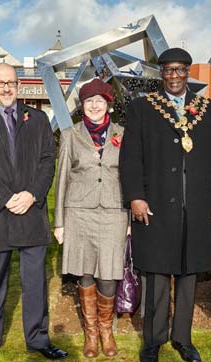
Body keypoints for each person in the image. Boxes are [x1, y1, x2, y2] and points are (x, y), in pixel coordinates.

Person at [119, 48, 211, 362]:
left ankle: (182, 338)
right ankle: (152, 340)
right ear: (161, 73)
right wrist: (136, 196)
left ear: (188, 72)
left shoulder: (209, 109)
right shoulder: (143, 108)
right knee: (155, 275)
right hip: (154, 207)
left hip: (196, 208)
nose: (174, 76)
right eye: (168, 70)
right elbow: (130, 158)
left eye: (180, 70)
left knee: (188, 274)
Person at [0, 63, 68, 361]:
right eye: (0, 83)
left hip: (30, 213)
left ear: (18, 85)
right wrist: (5, 197)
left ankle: (38, 339)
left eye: (11, 83)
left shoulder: (37, 119)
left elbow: (48, 160)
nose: (6, 88)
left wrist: (32, 194)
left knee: (34, 282)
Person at [54, 78, 128, 358]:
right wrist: (59, 222)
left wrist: (131, 220)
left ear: (108, 105)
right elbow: (61, 180)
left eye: (100, 101)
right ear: (81, 106)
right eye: (88, 101)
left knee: (109, 274)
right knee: (85, 274)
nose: (94, 105)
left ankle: (106, 330)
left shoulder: (123, 133)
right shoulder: (70, 135)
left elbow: (131, 176)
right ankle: (91, 334)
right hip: (79, 214)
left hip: (114, 212)